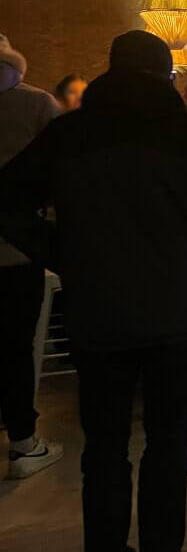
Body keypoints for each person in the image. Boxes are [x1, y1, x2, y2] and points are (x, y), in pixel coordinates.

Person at [0, 30, 187, 549]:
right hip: (179, 308)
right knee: (168, 445)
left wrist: (63, 252)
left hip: (99, 310)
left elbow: (7, 201)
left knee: (104, 449)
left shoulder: (71, 134)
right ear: (166, 76)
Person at [0, 33, 63, 480]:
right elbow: (62, 172)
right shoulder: (36, 105)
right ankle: (23, 442)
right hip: (16, 250)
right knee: (17, 345)